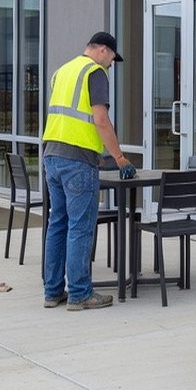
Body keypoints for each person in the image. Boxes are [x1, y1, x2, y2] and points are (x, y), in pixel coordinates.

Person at [41, 31, 134, 311]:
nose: (112, 65)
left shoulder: (62, 71)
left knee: (57, 223)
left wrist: (95, 153)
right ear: (103, 50)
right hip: (76, 162)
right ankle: (80, 293)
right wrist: (119, 157)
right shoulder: (95, 72)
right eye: (112, 59)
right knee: (80, 227)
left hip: (52, 155)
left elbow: (69, 117)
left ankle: (52, 292)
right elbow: (100, 119)